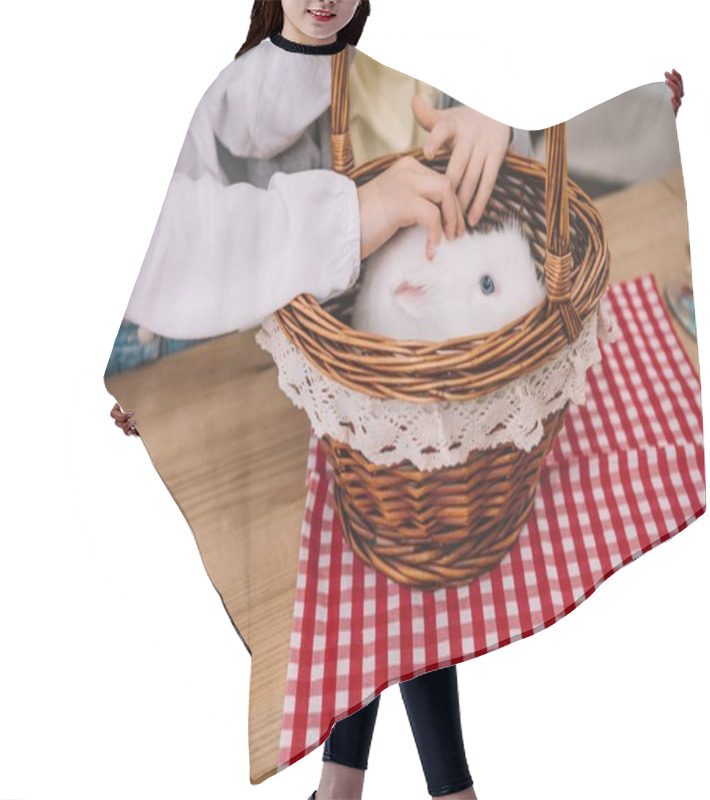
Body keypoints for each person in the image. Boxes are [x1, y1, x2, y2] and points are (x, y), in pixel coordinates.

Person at [107, 1, 527, 797]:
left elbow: (475, 168)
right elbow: (173, 243)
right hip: (255, 375)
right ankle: (416, 785)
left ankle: (360, 784)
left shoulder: (382, 82)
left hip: (368, 375)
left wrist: (643, 107)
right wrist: (139, 379)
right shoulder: (221, 93)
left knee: (390, 556)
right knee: (370, 563)